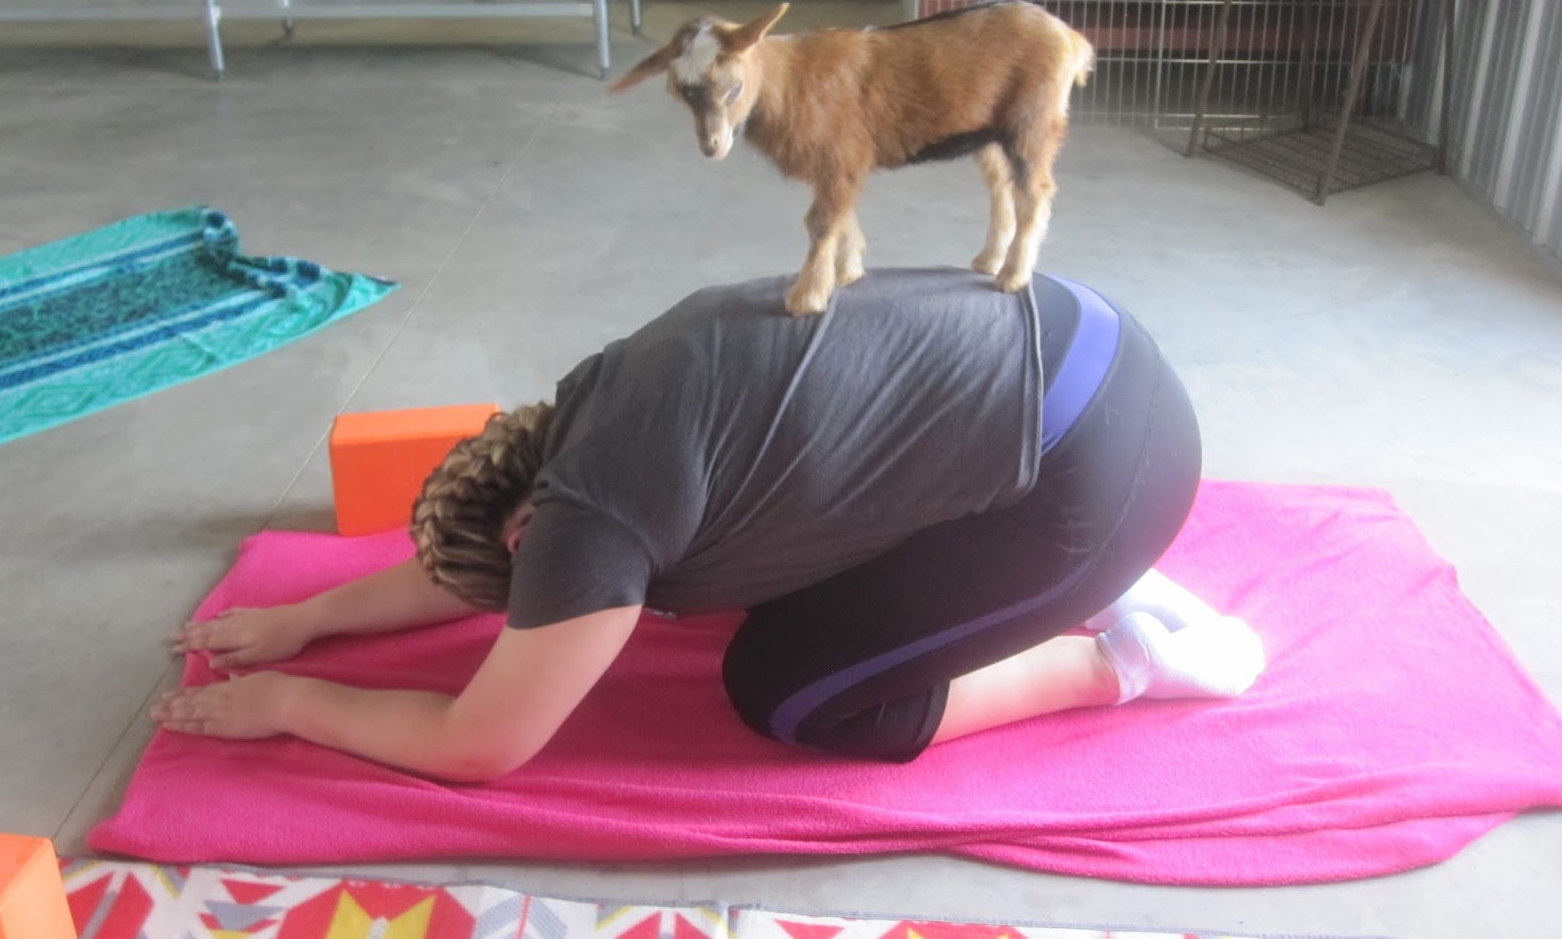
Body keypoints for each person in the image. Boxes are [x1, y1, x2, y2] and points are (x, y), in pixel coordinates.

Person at [154, 267, 1266, 778]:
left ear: (534, 533)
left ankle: (1125, 655)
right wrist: (313, 617)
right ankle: (1084, 575)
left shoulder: (591, 525)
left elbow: (478, 745)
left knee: (789, 690)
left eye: (534, 587)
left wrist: (297, 701)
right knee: (766, 561)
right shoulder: (591, 399)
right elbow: (469, 568)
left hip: (1096, 475)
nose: (543, 603)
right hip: (1088, 340)